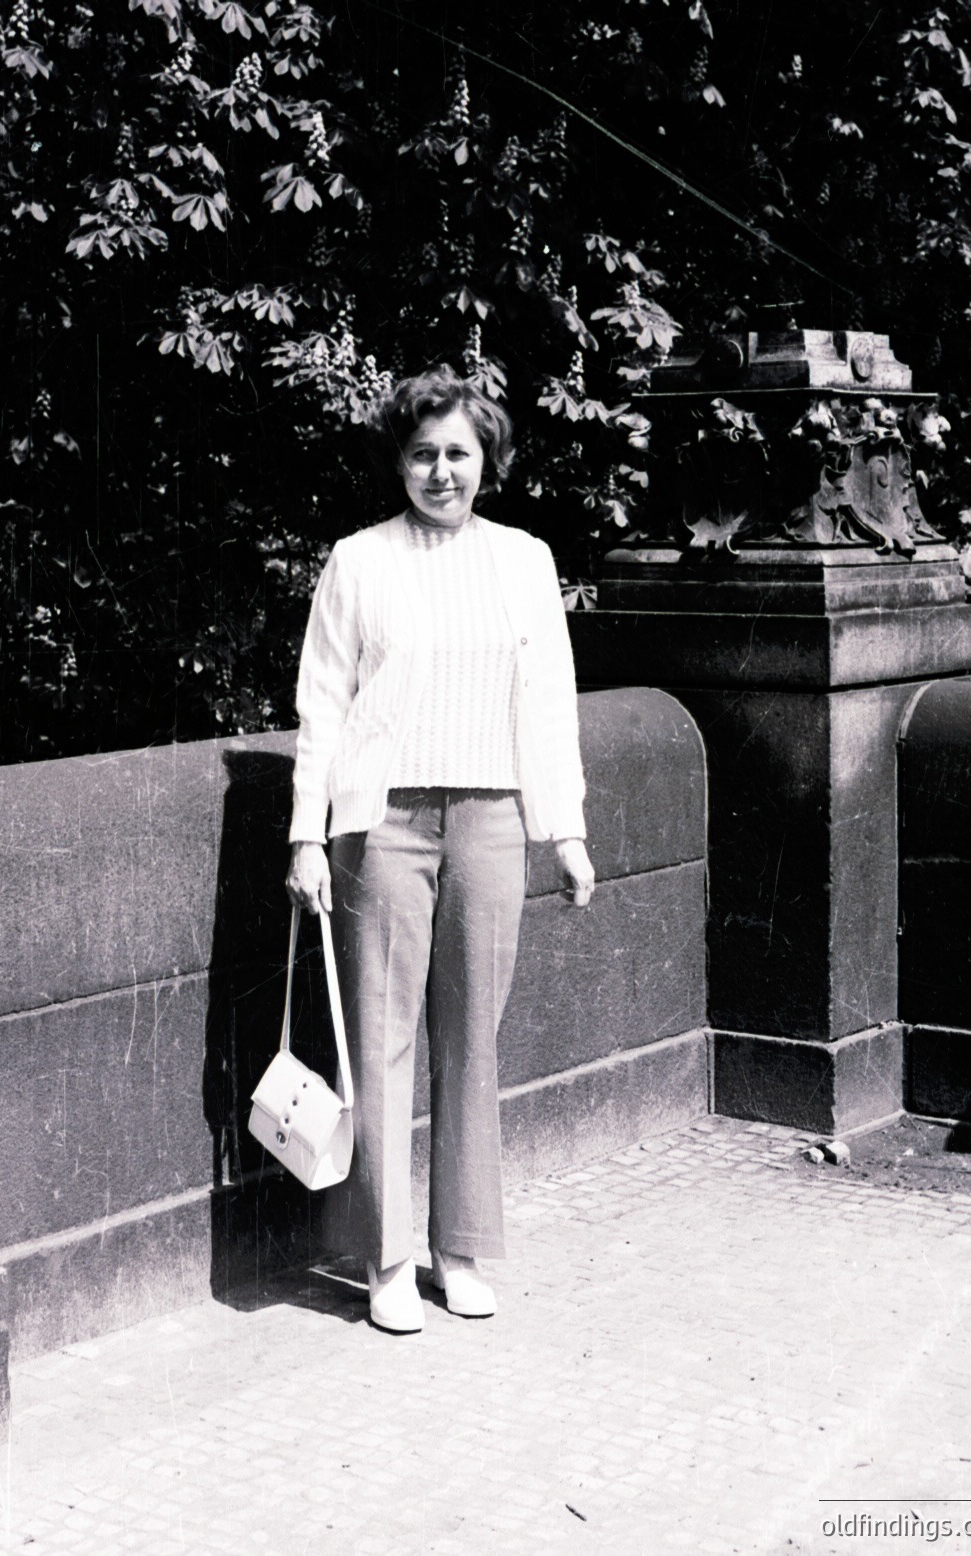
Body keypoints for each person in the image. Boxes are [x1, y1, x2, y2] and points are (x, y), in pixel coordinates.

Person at [285, 363, 594, 1333]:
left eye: (457, 451)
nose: (440, 470)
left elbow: (547, 704)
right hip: (382, 824)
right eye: (422, 453)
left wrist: (568, 831)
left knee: (471, 1039)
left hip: (492, 818)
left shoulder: (524, 562)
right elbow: (320, 703)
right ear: (399, 461)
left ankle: (455, 1250)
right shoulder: (358, 561)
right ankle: (382, 1261)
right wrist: (305, 834)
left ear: (485, 458)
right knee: (379, 1042)